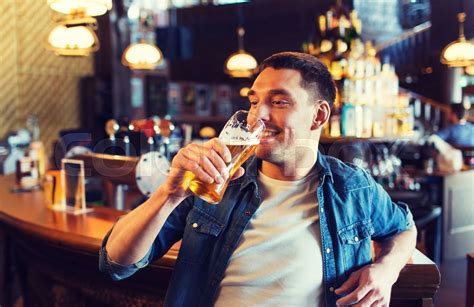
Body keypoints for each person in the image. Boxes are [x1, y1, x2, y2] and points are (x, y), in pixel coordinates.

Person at [99, 52, 417, 307]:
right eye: (253, 101)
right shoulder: (218, 180)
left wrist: (386, 270)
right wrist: (168, 194)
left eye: (279, 102)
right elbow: (116, 263)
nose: (258, 115)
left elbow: (403, 229)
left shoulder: (352, 187)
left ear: (319, 115)